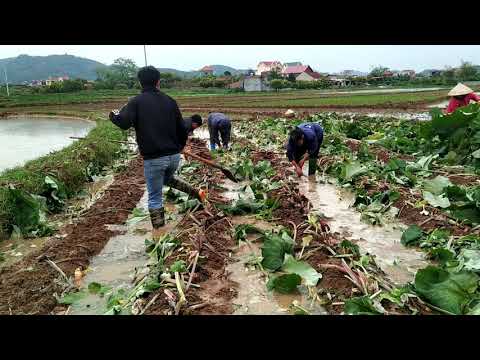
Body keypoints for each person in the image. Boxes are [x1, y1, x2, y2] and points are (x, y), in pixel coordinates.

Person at [109, 66, 206, 233]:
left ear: (139, 82)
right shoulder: (170, 101)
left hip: (154, 159)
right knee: (166, 179)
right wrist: (179, 147)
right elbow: (182, 128)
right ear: (158, 82)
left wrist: (113, 115)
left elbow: (123, 123)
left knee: (154, 197)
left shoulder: (135, 101)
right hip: (174, 157)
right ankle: (197, 192)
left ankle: (159, 236)